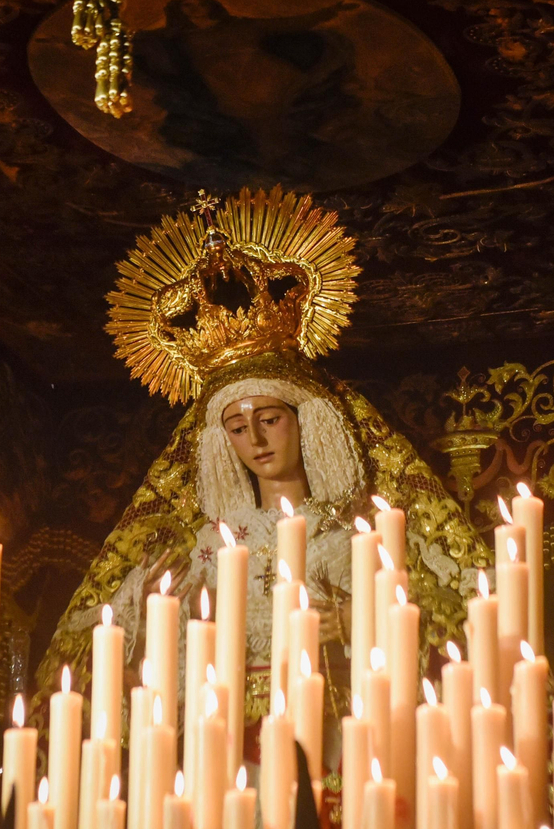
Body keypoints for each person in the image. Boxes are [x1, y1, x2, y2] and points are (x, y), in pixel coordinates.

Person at [37, 188, 491, 767]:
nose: (254, 439)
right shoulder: (202, 549)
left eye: (270, 419)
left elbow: (453, 611)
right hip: (221, 758)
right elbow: (117, 659)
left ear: (308, 423)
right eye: (235, 426)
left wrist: (356, 620)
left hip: (337, 748)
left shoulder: (362, 538)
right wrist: (149, 619)